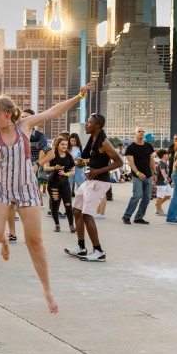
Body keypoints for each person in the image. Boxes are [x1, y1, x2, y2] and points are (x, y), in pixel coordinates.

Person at [0, 83, 93, 314]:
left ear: (7, 114)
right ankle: (3, 240)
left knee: (35, 241)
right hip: (1, 188)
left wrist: (78, 96)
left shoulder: (25, 126)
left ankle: (47, 289)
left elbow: (53, 111)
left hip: (26, 188)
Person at [63, 113, 123, 263]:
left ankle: (99, 251)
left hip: (100, 182)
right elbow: (95, 159)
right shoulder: (93, 139)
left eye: (89, 123)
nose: (86, 125)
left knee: (87, 215)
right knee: (76, 211)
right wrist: (85, 163)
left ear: (97, 126)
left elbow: (119, 162)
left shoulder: (104, 143)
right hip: (90, 180)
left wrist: (98, 171)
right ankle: (81, 247)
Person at [122, 127, 156, 225]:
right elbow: (131, 163)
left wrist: (155, 173)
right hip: (137, 176)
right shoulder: (131, 147)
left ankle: (139, 217)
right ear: (135, 134)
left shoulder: (148, 146)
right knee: (137, 196)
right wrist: (138, 173)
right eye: (139, 132)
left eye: (142, 131)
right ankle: (126, 216)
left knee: (146, 197)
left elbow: (152, 160)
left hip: (148, 176)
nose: (141, 133)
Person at [44, 136, 75, 233]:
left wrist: (66, 174)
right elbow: (45, 167)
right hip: (53, 184)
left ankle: (71, 226)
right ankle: (57, 225)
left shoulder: (69, 156)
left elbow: (73, 170)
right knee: (55, 205)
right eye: (62, 144)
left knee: (68, 205)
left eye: (66, 144)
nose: (64, 146)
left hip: (65, 184)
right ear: (57, 145)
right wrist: (55, 168)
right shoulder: (52, 155)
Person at [154, 149, 172, 216]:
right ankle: (158, 211)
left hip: (165, 182)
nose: (168, 155)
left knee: (170, 193)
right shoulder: (161, 163)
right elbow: (162, 171)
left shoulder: (164, 163)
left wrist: (167, 177)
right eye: (167, 154)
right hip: (161, 182)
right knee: (160, 196)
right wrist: (166, 178)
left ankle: (158, 204)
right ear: (164, 155)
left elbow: (165, 172)